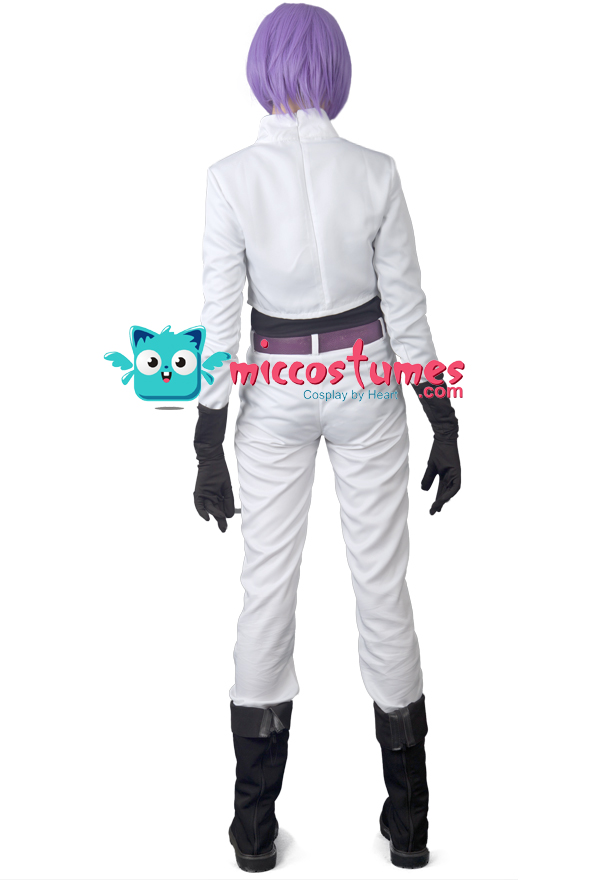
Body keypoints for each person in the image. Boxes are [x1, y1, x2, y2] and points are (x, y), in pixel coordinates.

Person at [193, 3, 461, 872]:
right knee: (383, 587)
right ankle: (411, 823)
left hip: (275, 385)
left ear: (262, 68)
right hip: (367, 381)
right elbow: (407, 310)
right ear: (335, 69)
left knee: (265, 591)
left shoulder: (230, 179)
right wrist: (443, 416)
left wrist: (205, 439)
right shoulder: (376, 172)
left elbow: (218, 326)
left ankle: (253, 827)